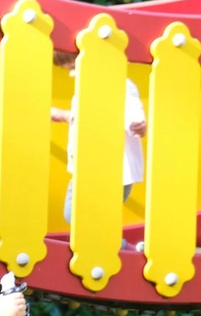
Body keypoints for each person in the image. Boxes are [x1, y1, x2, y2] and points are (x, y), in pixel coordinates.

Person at [50, 50, 146, 230]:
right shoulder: (85, 89)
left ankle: (114, 247)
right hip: (87, 168)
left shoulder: (118, 84)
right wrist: (64, 115)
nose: (72, 74)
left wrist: (137, 123)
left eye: (74, 67)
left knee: (87, 217)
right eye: (69, 69)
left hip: (112, 171)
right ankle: (108, 246)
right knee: (75, 214)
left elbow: (130, 107)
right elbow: (93, 118)